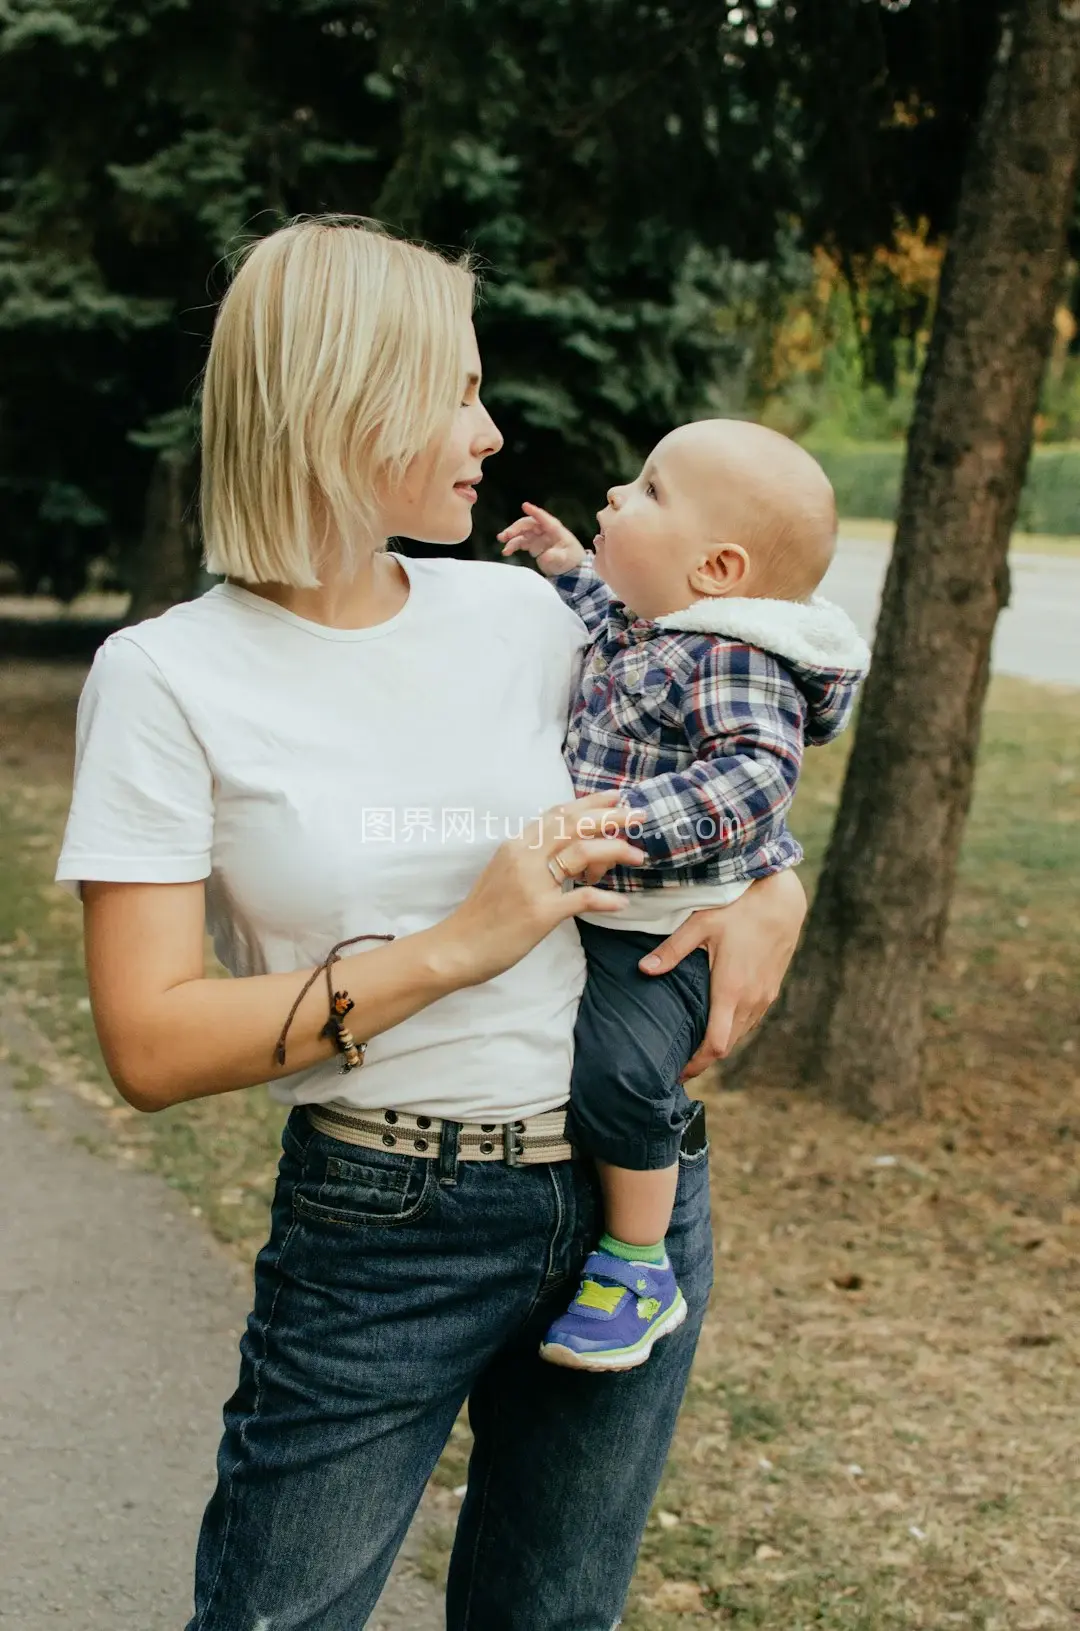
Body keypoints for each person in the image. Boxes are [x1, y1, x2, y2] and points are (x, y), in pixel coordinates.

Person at [56, 215, 808, 1631]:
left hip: (623, 1208)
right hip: (383, 1221)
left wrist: (780, 890)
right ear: (349, 400)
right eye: (458, 389)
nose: (491, 427)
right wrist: (462, 943)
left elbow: (730, 763)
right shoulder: (166, 677)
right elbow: (148, 1041)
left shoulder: (530, 620)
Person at [498, 422, 870, 1371]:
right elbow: (617, 617)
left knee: (619, 1072)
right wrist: (570, 563)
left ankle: (635, 1264)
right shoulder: (666, 622)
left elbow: (753, 779)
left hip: (668, 927)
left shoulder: (735, 659)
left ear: (718, 567)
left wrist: (622, 821)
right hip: (623, 904)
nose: (619, 494)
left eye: (650, 491)